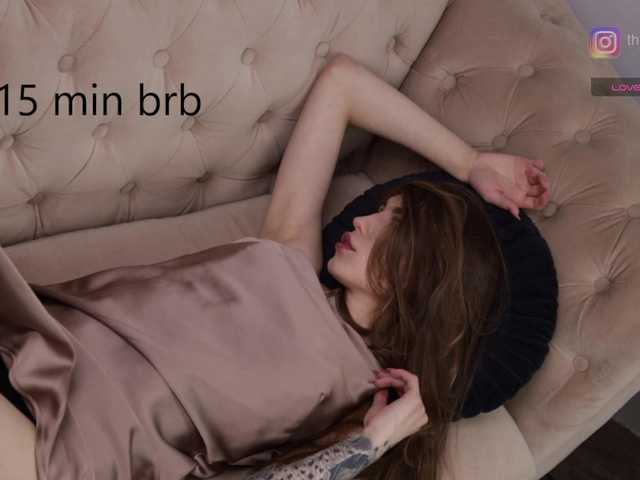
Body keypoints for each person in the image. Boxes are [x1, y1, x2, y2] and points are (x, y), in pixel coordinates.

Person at [0, 54, 549, 480]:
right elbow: (342, 83)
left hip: (53, 449)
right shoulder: (290, 253)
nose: (362, 220)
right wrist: (468, 162)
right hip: (28, 346)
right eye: (380, 208)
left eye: (393, 224)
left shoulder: (354, 402)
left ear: (426, 278)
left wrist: (372, 442)